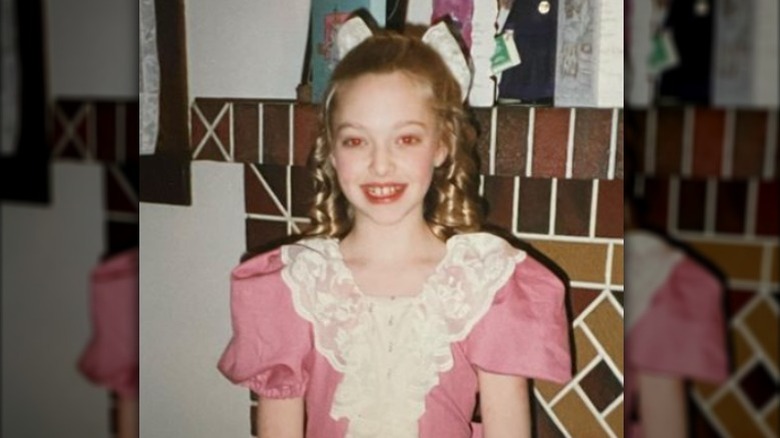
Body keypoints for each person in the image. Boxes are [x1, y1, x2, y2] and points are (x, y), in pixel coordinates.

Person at [218, 15, 571, 437]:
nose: (380, 164)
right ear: (331, 150)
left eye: (405, 139)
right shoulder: (296, 282)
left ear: (441, 145)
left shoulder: (483, 280)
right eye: (356, 140)